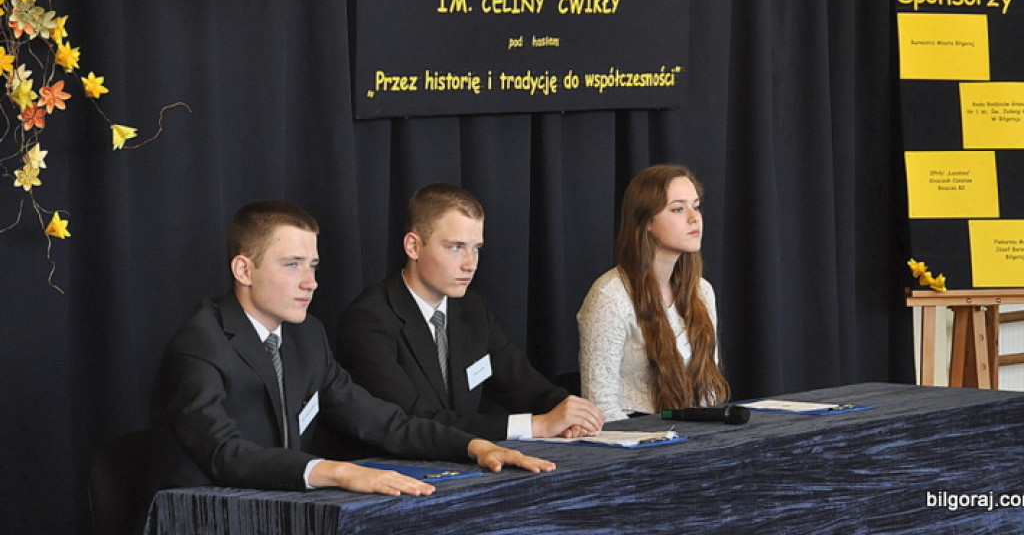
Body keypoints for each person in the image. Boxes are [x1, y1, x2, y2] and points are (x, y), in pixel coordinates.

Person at [148, 200, 554, 498]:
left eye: (313, 266)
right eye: (292, 265)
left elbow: (382, 422)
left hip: (285, 508)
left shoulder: (307, 336)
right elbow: (223, 453)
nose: (310, 282)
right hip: (204, 515)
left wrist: (471, 446)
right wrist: (338, 473)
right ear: (243, 270)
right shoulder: (200, 343)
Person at [335, 183, 604, 442]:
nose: (470, 264)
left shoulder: (472, 309)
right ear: (413, 246)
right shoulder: (368, 320)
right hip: (392, 475)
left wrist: (571, 414)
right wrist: (536, 425)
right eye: (455, 247)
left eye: (476, 249)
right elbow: (413, 421)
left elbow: (522, 384)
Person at [577, 165, 729, 422]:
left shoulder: (702, 291)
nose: (695, 218)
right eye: (678, 209)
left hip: (694, 440)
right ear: (646, 222)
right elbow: (600, 406)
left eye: (696, 206)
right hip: (635, 443)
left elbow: (708, 395)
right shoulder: (610, 295)